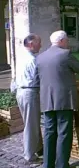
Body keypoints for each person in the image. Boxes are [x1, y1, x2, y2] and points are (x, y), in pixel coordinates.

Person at [36, 30, 79, 168]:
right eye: (66, 41)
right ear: (61, 41)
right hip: (64, 100)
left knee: (49, 132)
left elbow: (38, 79)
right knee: (64, 132)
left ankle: (47, 164)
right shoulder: (65, 54)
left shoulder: (40, 57)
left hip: (47, 99)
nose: (67, 43)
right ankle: (61, 165)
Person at [15, 34, 43, 164]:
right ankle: (29, 154)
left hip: (21, 91)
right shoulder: (32, 60)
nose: (41, 45)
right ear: (31, 44)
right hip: (29, 92)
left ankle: (37, 147)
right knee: (31, 124)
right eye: (39, 43)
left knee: (31, 122)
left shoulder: (21, 57)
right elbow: (37, 78)